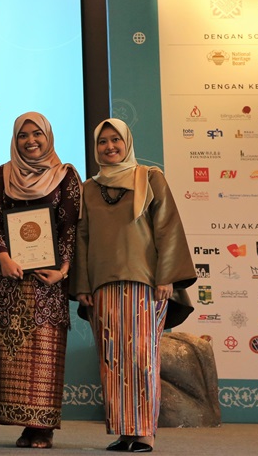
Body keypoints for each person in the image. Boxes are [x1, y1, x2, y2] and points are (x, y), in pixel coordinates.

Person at [70, 118, 196, 453]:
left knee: (142, 357)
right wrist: (82, 284)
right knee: (111, 359)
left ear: (127, 143)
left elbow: (167, 227)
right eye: (102, 142)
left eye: (116, 140)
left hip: (146, 283)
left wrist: (167, 276)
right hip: (102, 285)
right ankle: (125, 431)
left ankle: (145, 433)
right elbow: (82, 237)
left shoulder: (150, 177)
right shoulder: (89, 188)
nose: (109, 147)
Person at [0, 112, 82, 449]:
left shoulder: (66, 175)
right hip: (10, 278)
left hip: (48, 281)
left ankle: (41, 427)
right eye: (23, 135)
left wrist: (64, 269)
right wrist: (3, 257)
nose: (30, 141)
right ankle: (23, 424)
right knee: (13, 352)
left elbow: (70, 226)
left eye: (36, 134)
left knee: (43, 354)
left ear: (48, 136)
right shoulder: (2, 174)